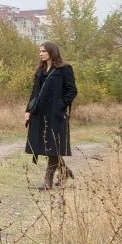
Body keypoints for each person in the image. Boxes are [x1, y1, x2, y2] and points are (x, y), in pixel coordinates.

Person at [25, 41, 77, 189]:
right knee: (45, 145)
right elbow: (35, 93)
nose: (40, 53)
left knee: (53, 146)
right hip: (39, 114)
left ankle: (47, 181)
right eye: (40, 51)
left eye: (43, 51)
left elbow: (72, 91)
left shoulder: (65, 69)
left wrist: (60, 105)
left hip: (55, 115)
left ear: (51, 52)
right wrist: (28, 111)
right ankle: (65, 171)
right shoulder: (40, 70)